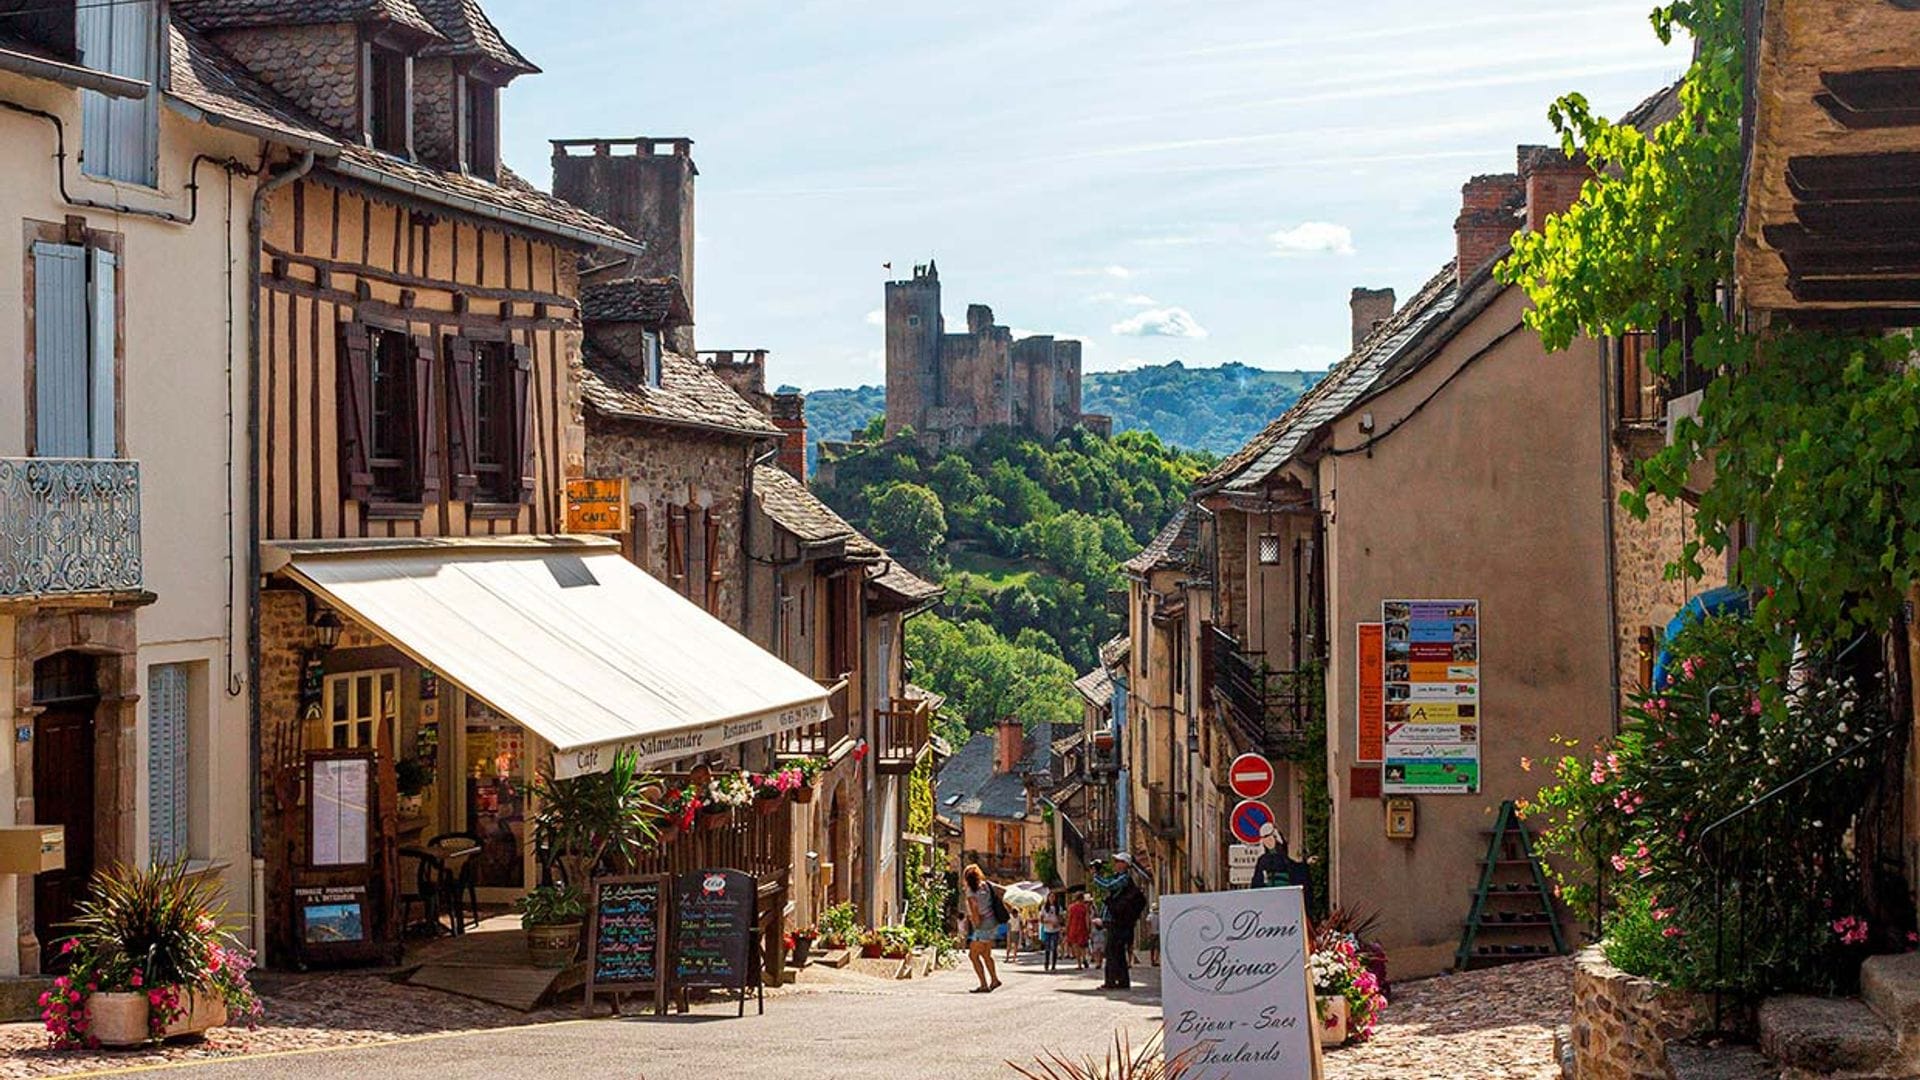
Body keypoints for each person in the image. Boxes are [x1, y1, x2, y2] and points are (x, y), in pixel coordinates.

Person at [1100, 853, 1148, 990]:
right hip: (1119, 921)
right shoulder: (1121, 879)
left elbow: (1107, 886)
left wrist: (1096, 876)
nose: (1115, 864)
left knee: (1112, 952)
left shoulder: (1123, 879)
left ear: (1125, 864)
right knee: (1117, 952)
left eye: (1118, 861)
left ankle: (1112, 981)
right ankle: (1121, 981)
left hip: (1118, 922)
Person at [1251, 822, 1315, 911]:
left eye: (1270, 837)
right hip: (1268, 902)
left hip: (1286, 900)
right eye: (1265, 839)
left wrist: (1306, 864)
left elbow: (1295, 869)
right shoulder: (1262, 860)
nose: (1268, 841)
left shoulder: (1283, 858)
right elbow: (1257, 883)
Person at [962, 863, 1003, 994]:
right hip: (993, 922)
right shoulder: (986, 885)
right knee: (986, 954)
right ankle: (995, 980)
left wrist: (977, 924)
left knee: (973, 955)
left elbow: (974, 908)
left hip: (983, 924)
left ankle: (984, 984)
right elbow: (1003, 890)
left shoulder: (970, 890)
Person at [1065, 891, 1092, 970]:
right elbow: (1087, 919)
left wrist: (1067, 928)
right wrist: (1088, 928)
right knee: (1083, 945)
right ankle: (1084, 958)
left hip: (1073, 928)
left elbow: (1068, 919)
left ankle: (1079, 964)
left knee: (1075, 946)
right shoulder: (1084, 907)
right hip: (1082, 927)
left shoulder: (1071, 907)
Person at [1038, 892, 1064, 972]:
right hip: (1047, 930)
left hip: (1055, 930)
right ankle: (1046, 963)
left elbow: (1061, 918)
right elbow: (1041, 919)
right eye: (1050, 897)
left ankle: (1053, 965)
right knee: (1047, 948)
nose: (1052, 898)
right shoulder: (1044, 908)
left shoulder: (1058, 907)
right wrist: (1047, 921)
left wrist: (1057, 923)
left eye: (1053, 897)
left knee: (1054, 948)